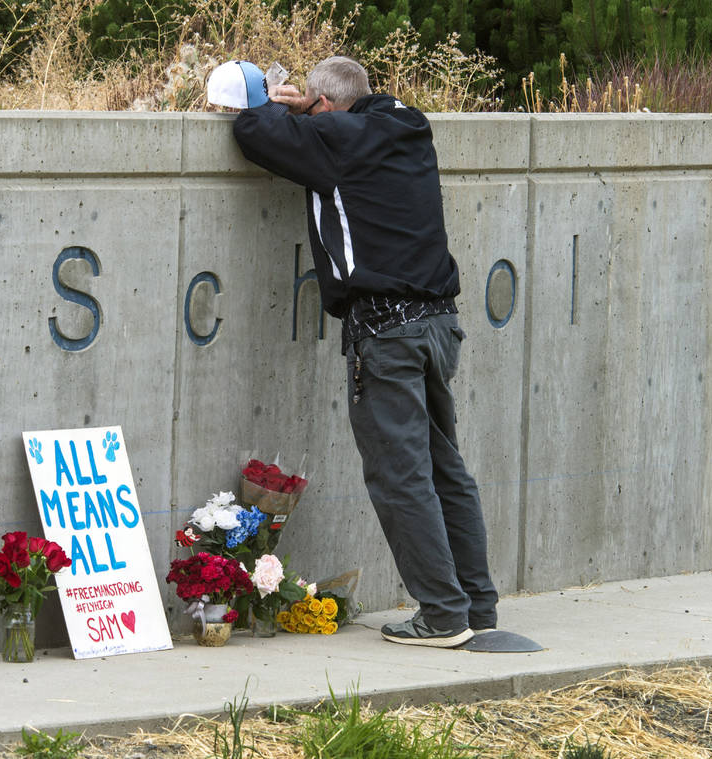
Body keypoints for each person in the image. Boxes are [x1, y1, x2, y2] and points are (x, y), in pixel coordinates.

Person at [229, 56, 498, 648]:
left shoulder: (333, 139)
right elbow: (359, 112)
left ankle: (441, 615)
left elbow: (252, 129)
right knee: (445, 469)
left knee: (400, 477)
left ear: (325, 106)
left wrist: (274, 99)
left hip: (385, 335)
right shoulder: (405, 122)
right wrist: (316, 107)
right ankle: (477, 605)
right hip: (437, 326)